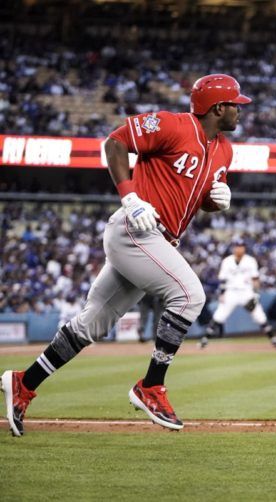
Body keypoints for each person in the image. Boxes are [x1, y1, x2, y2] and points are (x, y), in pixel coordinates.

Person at [1, 74, 251, 436]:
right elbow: (115, 143)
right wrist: (130, 197)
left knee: (93, 324)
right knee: (189, 296)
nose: (239, 111)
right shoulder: (172, 124)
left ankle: (24, 382)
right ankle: (151, 386)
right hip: (137, 229)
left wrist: (215, 202)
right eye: (234, 105)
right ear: (217, 108)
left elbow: (201, 198)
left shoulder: (224, 149)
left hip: (156, 241)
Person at [199, 239, 276, 349]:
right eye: (237, 246)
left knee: (260, 316)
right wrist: (222, 294)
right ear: (234, 248)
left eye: (241, 246)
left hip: (246, 292)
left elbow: (255, 279)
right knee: (219, 316)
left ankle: (273, 340)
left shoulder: (251, 261)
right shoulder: (227, 261)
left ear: (244, 248)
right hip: (231, 292)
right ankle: (204, 340)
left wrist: (256, 294)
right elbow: (223, 280)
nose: (239, 248)